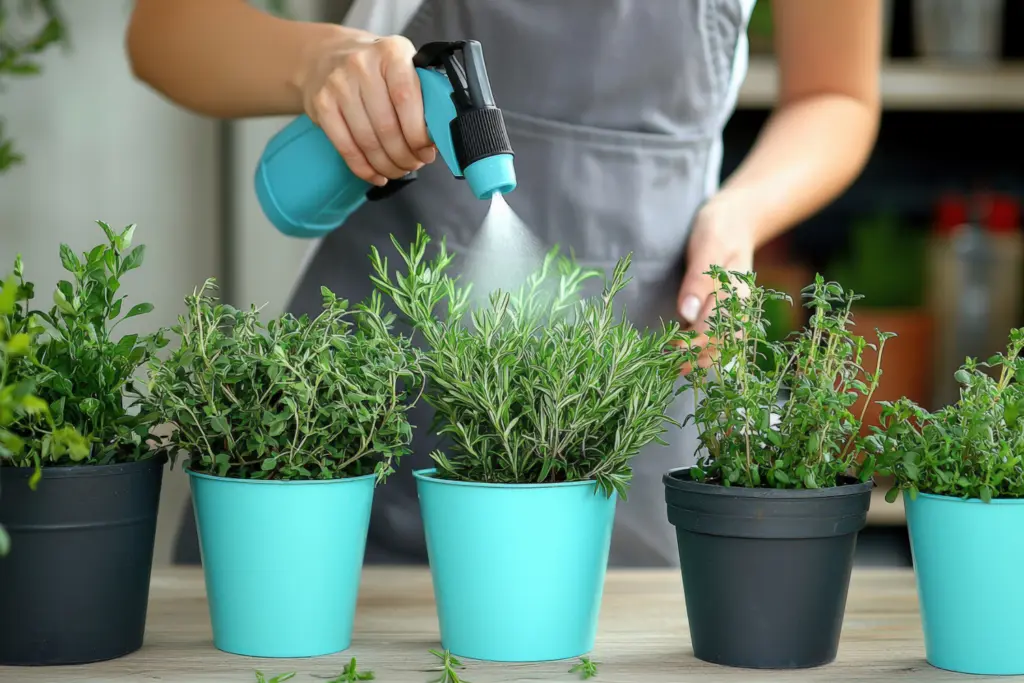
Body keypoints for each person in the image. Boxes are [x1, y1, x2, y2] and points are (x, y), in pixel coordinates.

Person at [126, 0, 882, 567]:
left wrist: (738, 219)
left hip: (646, 378)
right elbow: (167, 31)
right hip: (371, 374)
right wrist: (320, 61)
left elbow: (837, 95)